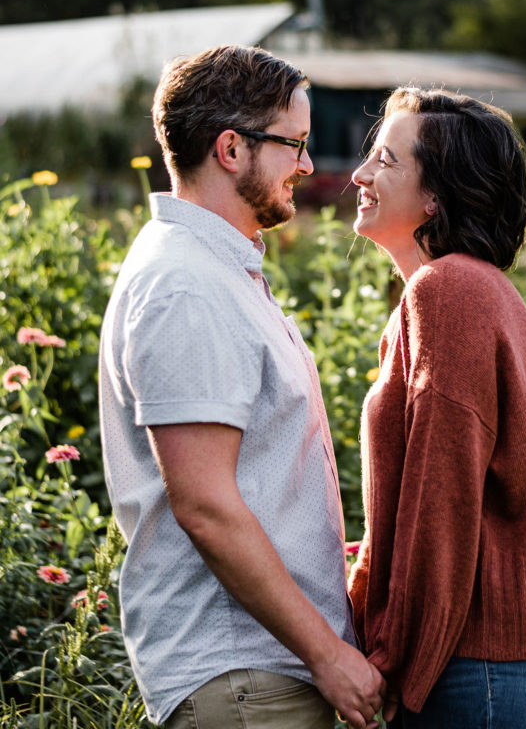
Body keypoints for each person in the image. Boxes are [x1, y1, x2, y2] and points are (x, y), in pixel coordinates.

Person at [99, 45, 385, 729]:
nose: (308, 166)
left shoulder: (211, 271)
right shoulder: (185, 286)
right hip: (244, 676)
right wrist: (326, 655)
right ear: (231, 148)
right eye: (294, 144)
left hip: (259, 671)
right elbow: (206, 505)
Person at [347, 87, 526, 729]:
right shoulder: (458, 289)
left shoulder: (451, 293)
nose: (359, 174)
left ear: (436, 197)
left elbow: (442, 508)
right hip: (501, 660)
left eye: (384, 161)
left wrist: (388, 658)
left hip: (487, 667)